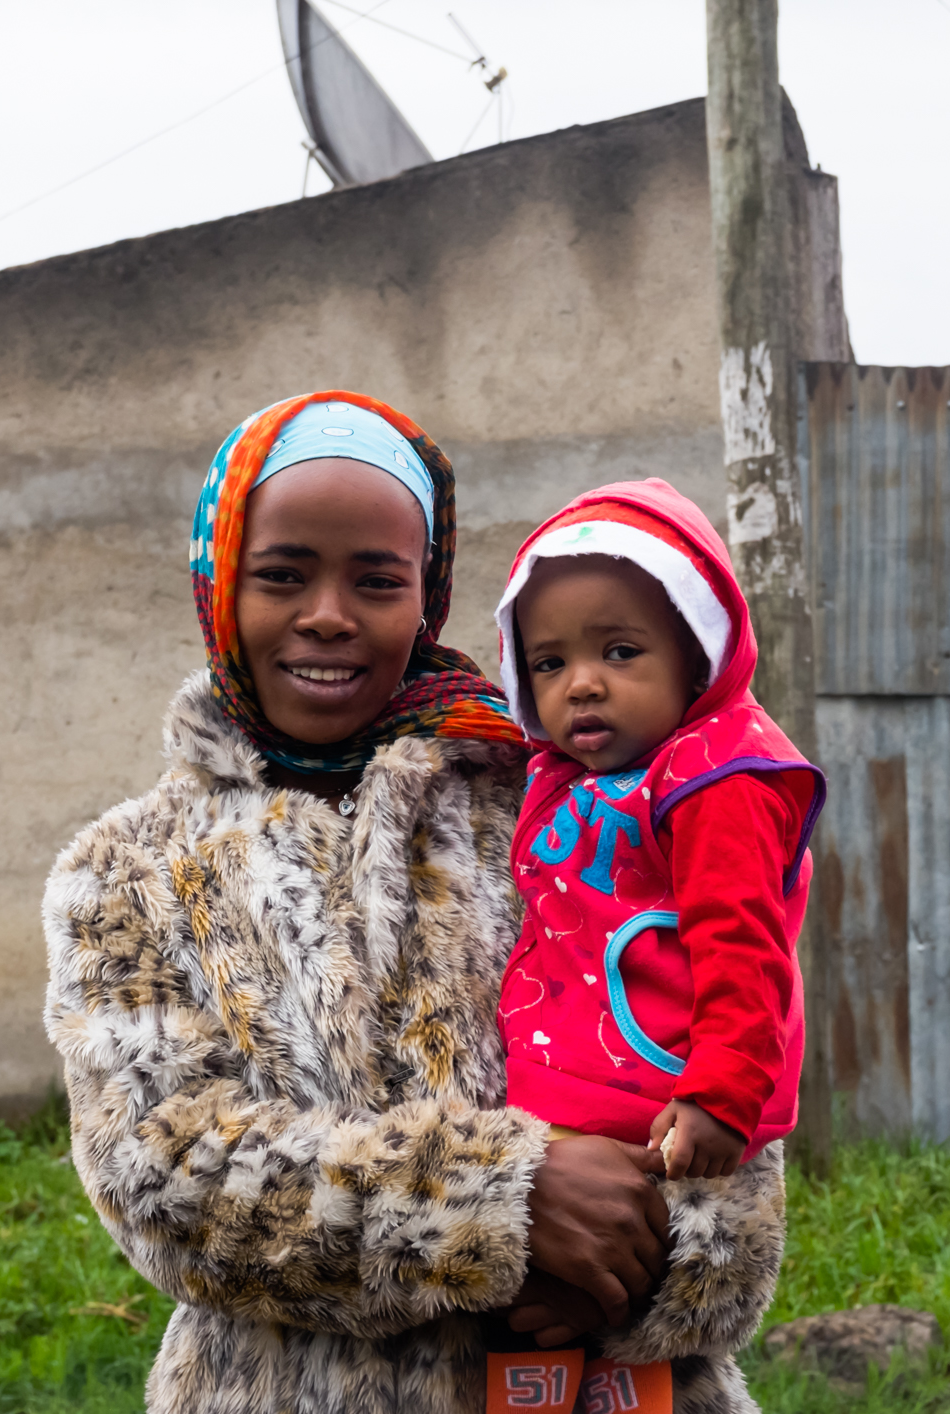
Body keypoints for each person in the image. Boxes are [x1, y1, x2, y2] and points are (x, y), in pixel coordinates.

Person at [41, 396, 786, 1413]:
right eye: (283, 574)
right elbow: (162, 1178)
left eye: (377, 579)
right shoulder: (132, 867)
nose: (329, 614)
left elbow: (724, 1090)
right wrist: (500, 1202)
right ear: (216, 582)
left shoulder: (559, 804)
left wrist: (653, 1264)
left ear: (427, 592)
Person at [490, 479, 824, 1192]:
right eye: (548, 663)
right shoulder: (566, 773)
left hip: (656, 1109)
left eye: (619, 651)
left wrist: (720, 1095)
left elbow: (743, 943)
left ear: (697, 657)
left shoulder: (716, 779)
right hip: (561, 1089)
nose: (581, 684)